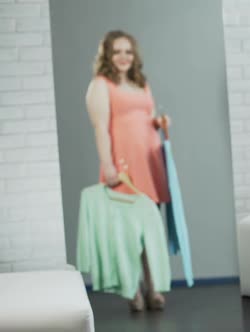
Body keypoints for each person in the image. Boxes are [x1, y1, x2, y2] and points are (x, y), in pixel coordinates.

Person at [85, 30, 171, 312]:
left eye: (128, 52)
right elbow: (100, 127)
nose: (123, 57)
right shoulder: (100, 84)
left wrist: (158, 123)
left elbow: (143, 118)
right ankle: (132, 290)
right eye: (117, 51)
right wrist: (107, 164)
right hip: (123, 166)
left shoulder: (140, 83)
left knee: (149, 230)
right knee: (127, 233)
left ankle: (153, 287)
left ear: (135, 56)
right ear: (108, 55)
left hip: (150, 161)